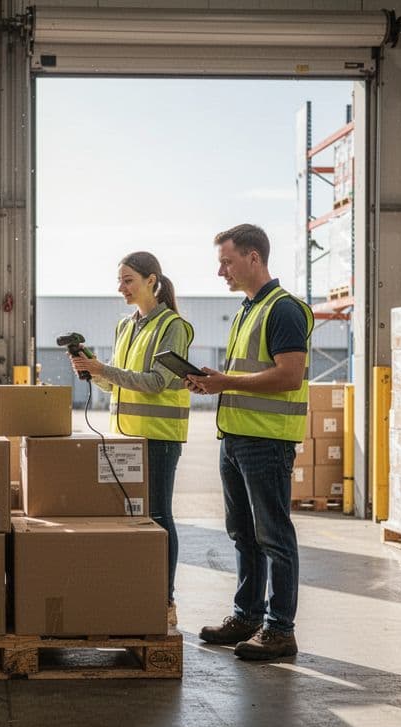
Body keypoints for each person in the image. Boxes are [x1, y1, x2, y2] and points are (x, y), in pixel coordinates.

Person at [186, 224, 313, 661]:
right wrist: (214, 383)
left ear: (253, 257)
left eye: (227, 260)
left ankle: (280, 630)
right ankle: (247, 615)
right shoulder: (246, 310)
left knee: (274, 537)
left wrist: (226, 382)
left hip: (266, 442)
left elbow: (290, 374)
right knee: (243, 534)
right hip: (237, 439)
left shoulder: (284, 310)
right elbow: (246, 376)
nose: (221, 270)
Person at [70, 251, 193, 626]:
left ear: (151, 281)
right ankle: (135, 594)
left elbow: (158, 382)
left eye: (129, 281)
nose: (121, 287)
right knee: (127, 520)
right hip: (122, 438)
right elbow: (115, 383)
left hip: (158, 438)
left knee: (157, 516)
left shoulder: (173, 326)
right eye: (120, 280)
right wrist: (93, 371)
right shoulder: (126, 326)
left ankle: (164, 600)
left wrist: (104, 369)